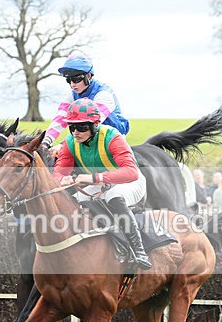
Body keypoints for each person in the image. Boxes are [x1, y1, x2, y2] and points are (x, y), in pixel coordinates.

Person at [52, 98, 152, 269]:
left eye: (82, 126)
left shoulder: (112, 137)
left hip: (131, 182)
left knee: (114, 196)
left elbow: (131, 172)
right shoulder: (70, 143)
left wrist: (93, 178)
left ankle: (139, 250)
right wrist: (62, 180)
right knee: (74, 201)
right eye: (72, 126)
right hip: (101, 184)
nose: (75, 132)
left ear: (95, 125)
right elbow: (58, 174)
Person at [42, 53, 130, 152]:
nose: (72, 85)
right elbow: (60, 119)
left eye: (76, 79)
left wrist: (62, 145)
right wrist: (44, 142)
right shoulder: (71, 95)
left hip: (112, 139)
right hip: (86, 137)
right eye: (69, 80)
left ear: (88, 76)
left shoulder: (104, 94)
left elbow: (91, 124)